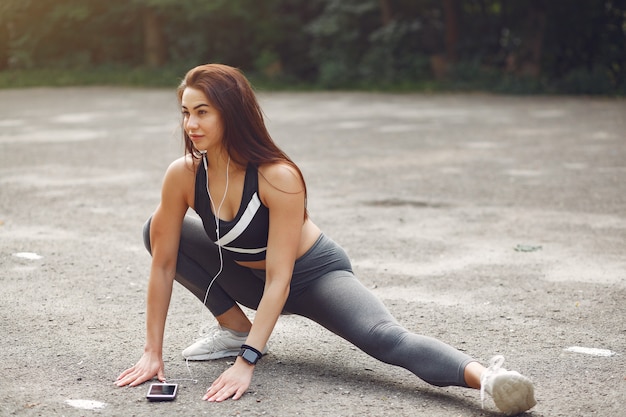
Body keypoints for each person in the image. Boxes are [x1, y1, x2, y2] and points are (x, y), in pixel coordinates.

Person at [115, 63, 536, 415]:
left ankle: (490, 380)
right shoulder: (184, 174)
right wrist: (153, 351)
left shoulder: (277, 176)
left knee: (385, 338)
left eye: (202, 112)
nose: (191, 124)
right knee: (156, 230)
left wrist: (248, 363)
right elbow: (165, 262)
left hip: (312, 275)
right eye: (186, 113)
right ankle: (235, 329)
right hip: (248, 276)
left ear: (231, 113)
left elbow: (281, 279)